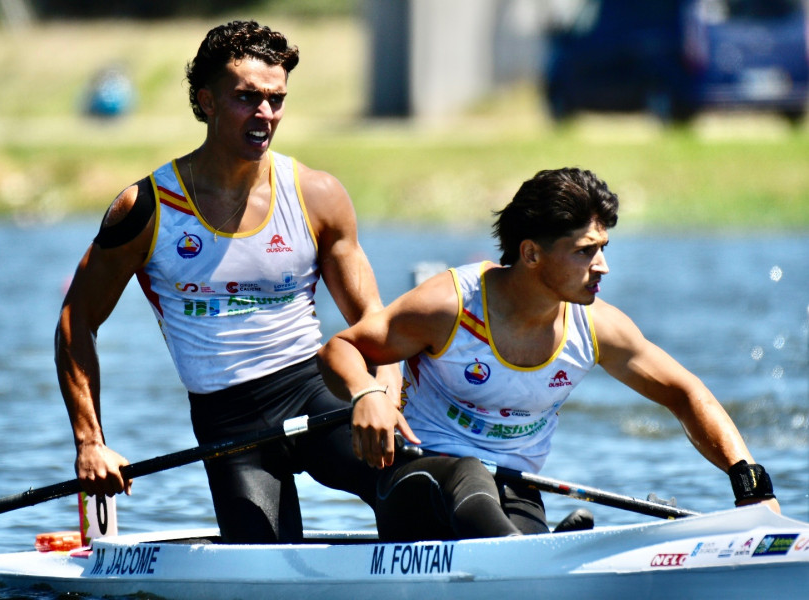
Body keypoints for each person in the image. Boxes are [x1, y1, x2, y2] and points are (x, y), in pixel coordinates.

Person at [55, 20, 400, 544]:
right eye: (247, 97)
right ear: (207, 101)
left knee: (410, 484)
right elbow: (75, 324)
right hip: (230, 423)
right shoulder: (146, 209)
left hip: (312, 391)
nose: (265, 114)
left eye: (276, 100)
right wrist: (90, 443)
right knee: (261, 559)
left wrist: (380, 398)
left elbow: (378, 324)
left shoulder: (317, 195)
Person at [317, 167, 781, 542]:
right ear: (532, 254)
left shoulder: (596, 327)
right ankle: (529, 556)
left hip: (515, 492)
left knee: (505, 510)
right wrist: (366, 393)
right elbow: (340, 348)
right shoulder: (448, 307)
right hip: (416, 484)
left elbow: (685, 393)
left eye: (603, 248)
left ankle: (531, 555)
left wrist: (749, 481)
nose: (603, 266)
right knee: (469, 473)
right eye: (585, 252)